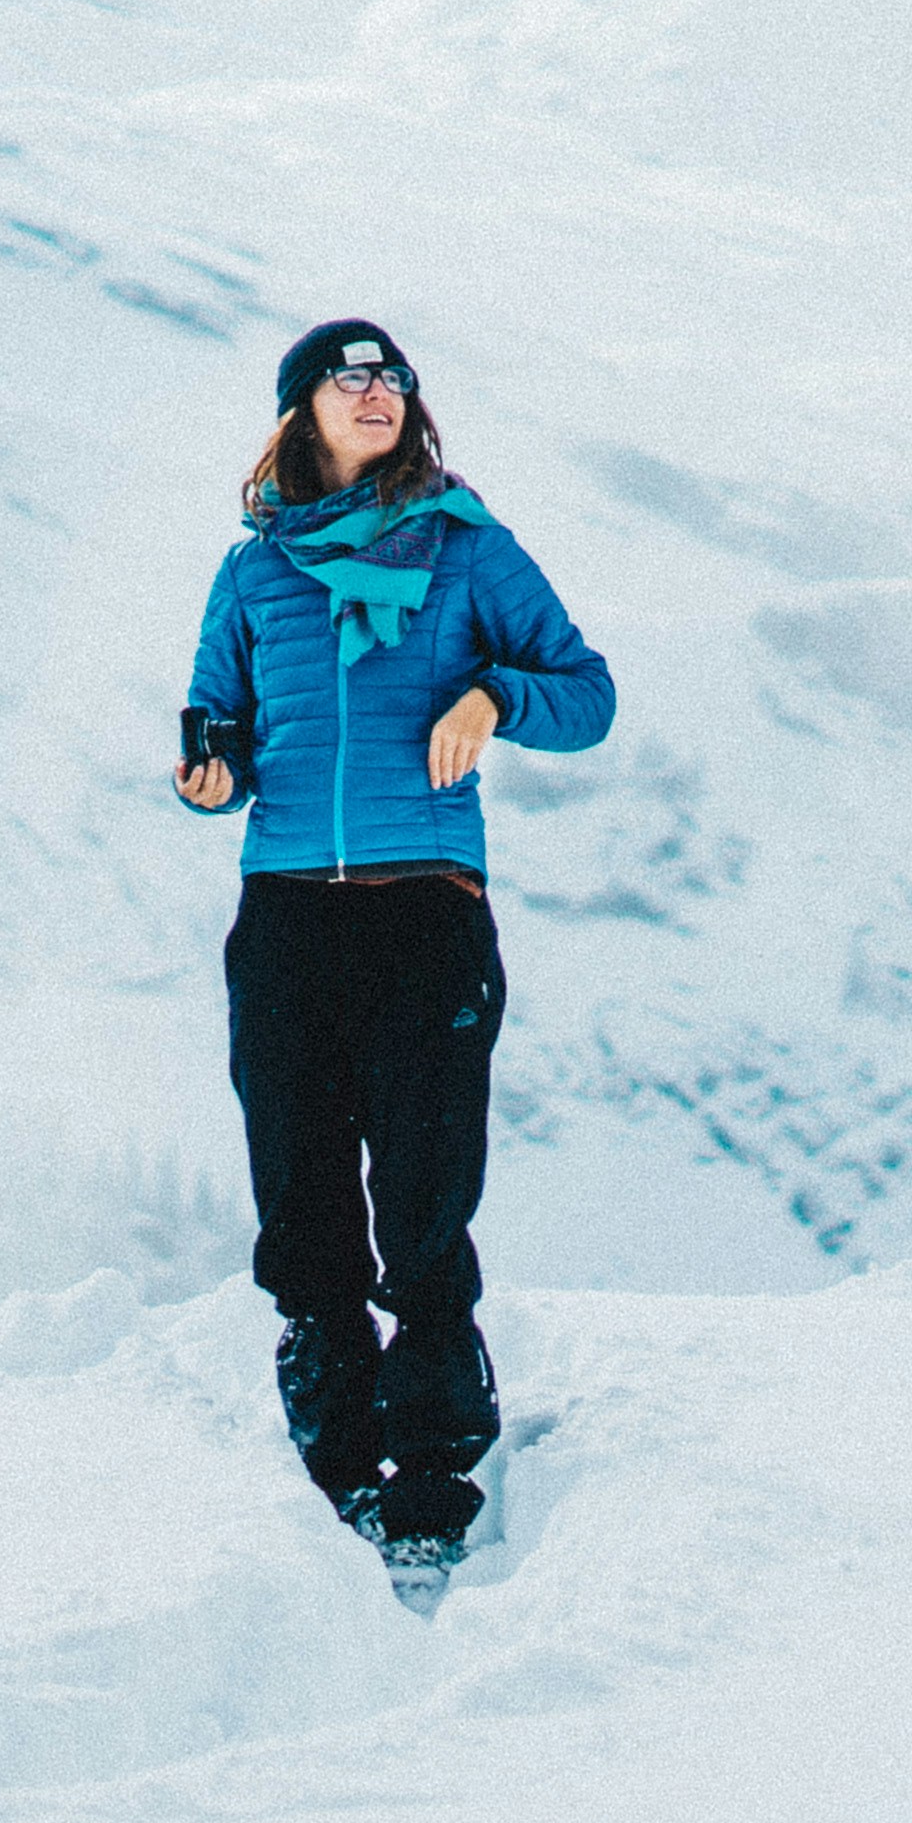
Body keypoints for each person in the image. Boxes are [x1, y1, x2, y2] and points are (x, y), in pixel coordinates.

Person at [176, 319, 615, 1575]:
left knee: (422, 1188)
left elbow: (586, 693)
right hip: (287, 913)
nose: (378, 393)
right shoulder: (254, 572)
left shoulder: (471, 547)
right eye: (349, 377)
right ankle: (333, 1437)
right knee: (300, 1181)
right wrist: (211, 772)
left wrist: (494, 696)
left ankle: (431, 1457)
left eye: (394, 378)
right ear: (300, 411)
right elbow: (223, 719)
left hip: (426, 904)